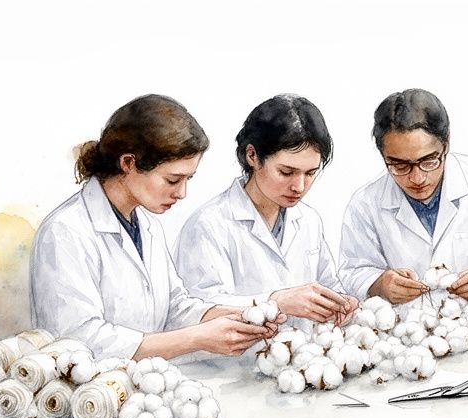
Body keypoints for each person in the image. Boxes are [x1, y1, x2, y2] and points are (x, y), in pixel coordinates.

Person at [30, 94, 282, 361]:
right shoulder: (65, 231)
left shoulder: (147, 226)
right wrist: (199, 337)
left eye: (188, 179)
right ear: (128, 163)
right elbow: (78, 340)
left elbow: (175, 307)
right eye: (173, 180)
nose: (182, 193)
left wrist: (233, 317)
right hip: (91, 394)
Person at [337, 88, 468, 320]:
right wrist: (379, 285)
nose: (417, 178)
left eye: (428, 160)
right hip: (406, 342)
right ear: (383, 156)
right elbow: (352, 271)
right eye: (399, 165)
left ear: (446, 144)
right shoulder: (365, 204)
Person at [174, 94, 358, 326]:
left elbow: (328, 285)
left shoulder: (309, 220)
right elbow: (196, 312)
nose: (299, 187)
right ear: (252, 156)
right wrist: (275, 302)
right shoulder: (209, 224)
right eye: (286, 172)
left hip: (301, 358)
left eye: (310, 173)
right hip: (231, 363)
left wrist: (341, 303)